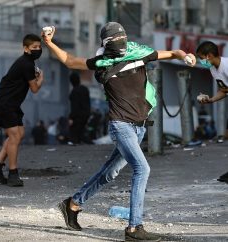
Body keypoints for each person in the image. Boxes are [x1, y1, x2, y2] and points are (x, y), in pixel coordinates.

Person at [42, 22, 196, 241]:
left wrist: (185, 56)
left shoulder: (139, 53)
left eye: (120, 38)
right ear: (106, 44)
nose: (119, 43)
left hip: (139, 126)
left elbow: (172, 52)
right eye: (114, 40)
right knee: (142, 169)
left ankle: (73, 204)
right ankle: (134, 229)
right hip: (120, 125)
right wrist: (49, 42)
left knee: (111, 172)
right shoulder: (102, 62)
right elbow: (69, 60)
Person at [0, 34, 44, 187]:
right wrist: (41, 78)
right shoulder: (26, 64)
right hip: (5, 103)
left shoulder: (28, 63)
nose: (38, 50)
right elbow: (35, 88)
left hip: (12, 103)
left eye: (39, 47)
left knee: (19, 134)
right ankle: (13, 173)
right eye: (34, 47)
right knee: (14, 136)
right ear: (25, 48)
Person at [196, 41, 228, 184]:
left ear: (209, 56)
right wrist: (211, 100)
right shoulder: (214, 70)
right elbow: (224, 90)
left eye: (201, 58)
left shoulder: (226, 66)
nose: (200, 61)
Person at [68, 72, 91, 145]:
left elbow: (75, 106)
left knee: (75, 132)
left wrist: (71, 117)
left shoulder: (74, 91)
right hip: (86, 114)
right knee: (81, 131)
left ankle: (79, 143)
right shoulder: (85, 89)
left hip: (78, 116)